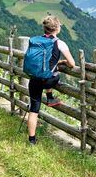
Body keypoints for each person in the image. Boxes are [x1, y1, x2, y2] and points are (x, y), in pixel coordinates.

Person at [27, 15, 76, 145]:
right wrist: (63, 62)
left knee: (34, 110)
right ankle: (49, 97)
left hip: (34, 79)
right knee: (55, 74)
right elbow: (72, 64)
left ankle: (32, 140)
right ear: (57, 28)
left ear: (45, 28)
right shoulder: (59, 43)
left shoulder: (36, 41)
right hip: (48, 81)